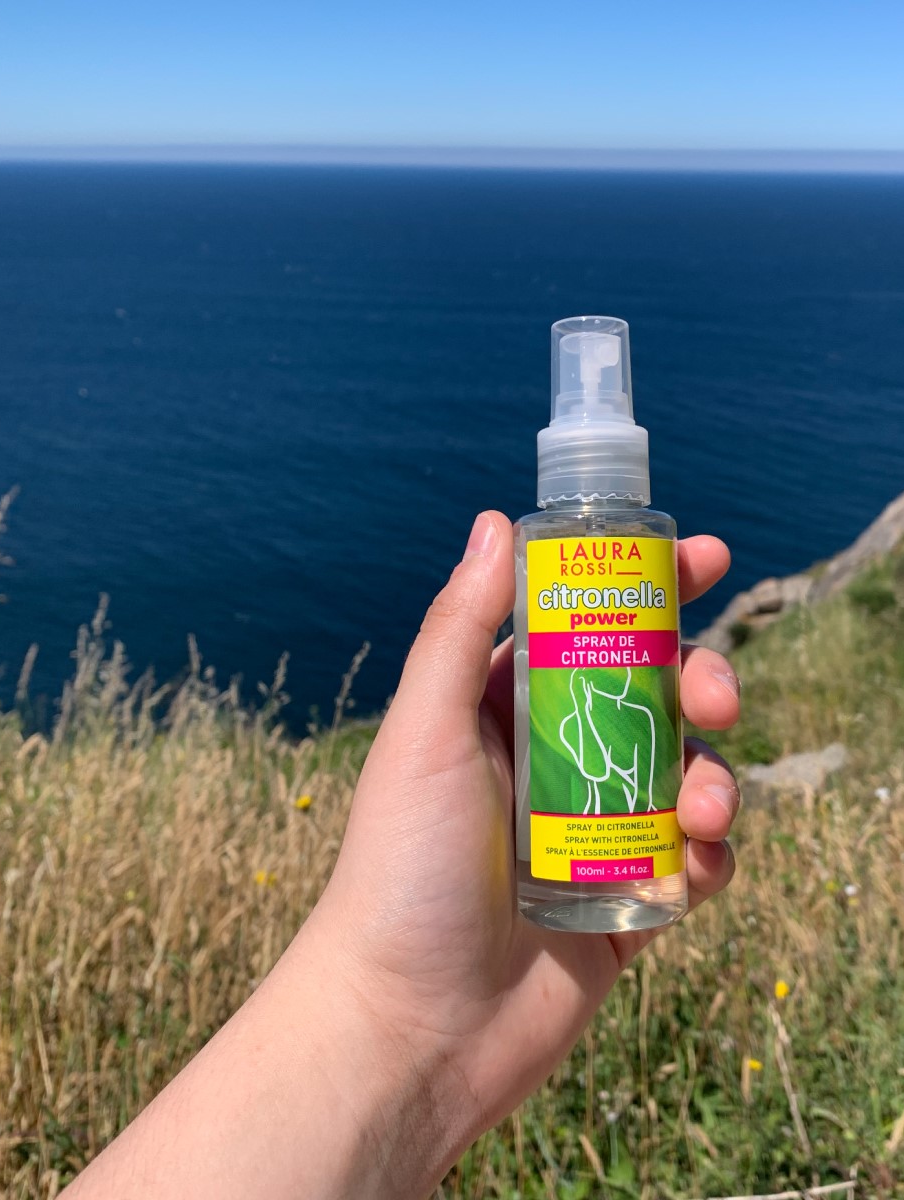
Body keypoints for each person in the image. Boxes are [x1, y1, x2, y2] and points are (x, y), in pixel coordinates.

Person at [65, 511, 741, 1199]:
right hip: (542, 881)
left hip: (615, 871)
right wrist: (397, 1021)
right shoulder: (549, 558)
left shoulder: (633, 569)